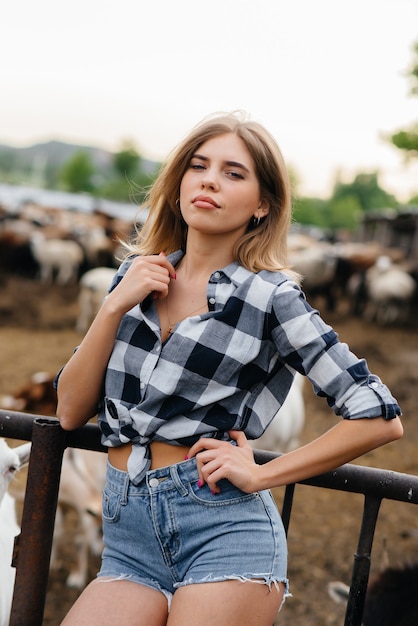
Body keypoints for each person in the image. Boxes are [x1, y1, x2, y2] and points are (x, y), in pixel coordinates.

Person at [55, 111, 403, 626]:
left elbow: (377, 415)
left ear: (263, 205)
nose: (210, 180)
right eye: (198, 166)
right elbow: (68, 412)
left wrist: (264, 473)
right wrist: (112, 308)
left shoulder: (271, 297)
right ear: (178, 185)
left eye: (234, 173)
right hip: (127, 539)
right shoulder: (135, 275)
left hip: (223, 532)